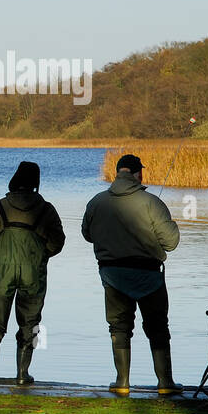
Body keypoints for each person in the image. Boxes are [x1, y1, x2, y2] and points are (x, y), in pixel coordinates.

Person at [81, 154, 181, 395]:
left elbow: (87, 234)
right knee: (157, 327)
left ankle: (122, 382)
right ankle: (165, 383)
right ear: (138, 175)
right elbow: (171, 242)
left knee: (119, 327)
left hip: (112, 275)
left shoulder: (96, 201)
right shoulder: (152, 203)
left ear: (116, 174)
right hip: (148, 275)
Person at [0, 161, 66, 385]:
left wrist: (1, 251)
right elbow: (58, 242)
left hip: (2, 269)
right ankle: (22, 374)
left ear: (15, 179)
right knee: (31, 318)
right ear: (36, 183)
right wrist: (40, 254)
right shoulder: (47, 209)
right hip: (33, 270)